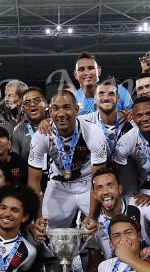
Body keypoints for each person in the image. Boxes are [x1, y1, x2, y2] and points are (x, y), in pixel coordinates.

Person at [27, 90, 107, 230]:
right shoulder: (41, 136)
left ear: (76, 109)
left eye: (67, 107)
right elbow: (33, 181)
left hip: (87, 184)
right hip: (59, 185)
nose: (61, 113)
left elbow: (98, 179)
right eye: (56, 108)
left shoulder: (93, 132)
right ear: (50, 112)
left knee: (100, 229)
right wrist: (38, 217)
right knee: (44, 231)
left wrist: (93, 217)